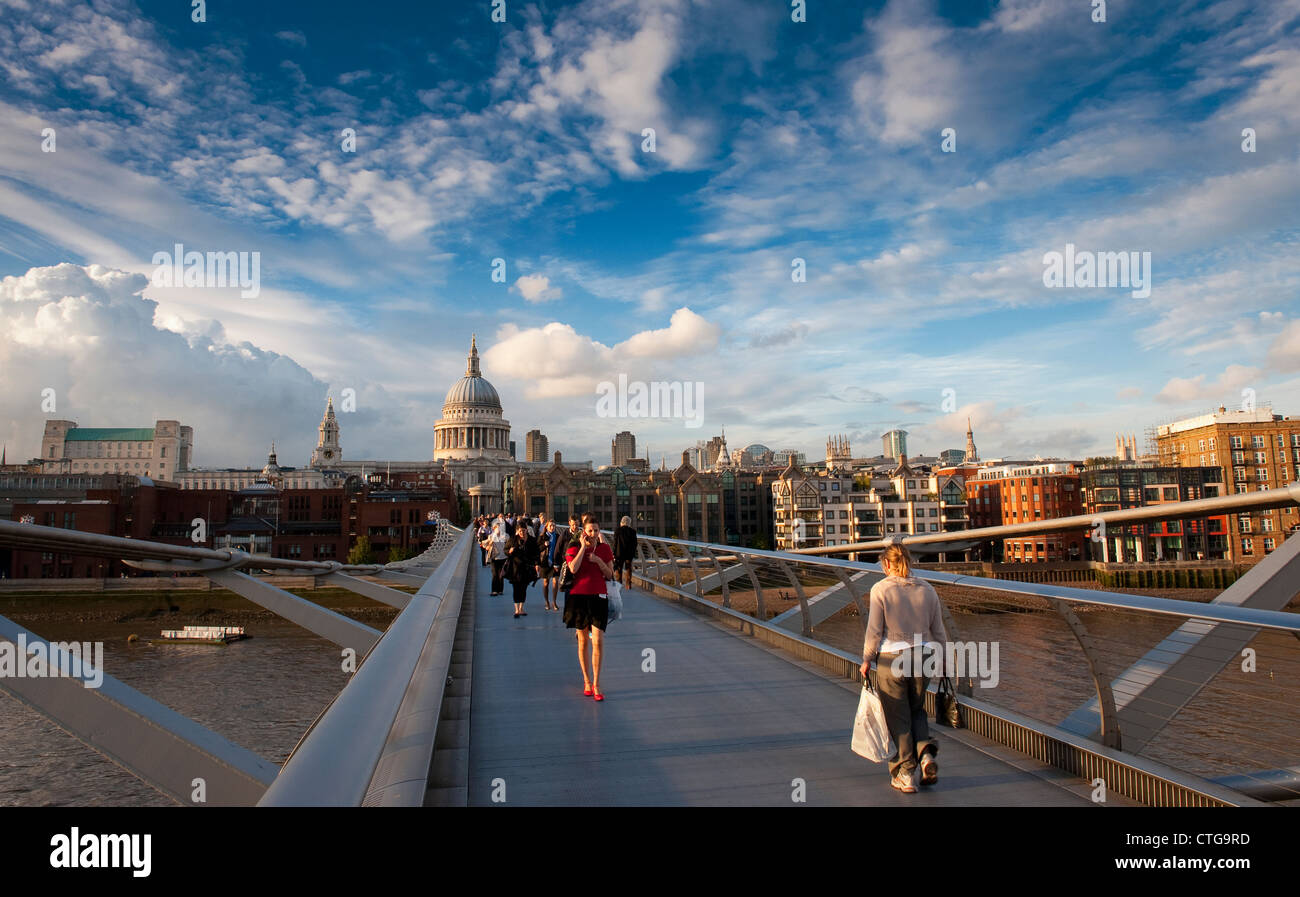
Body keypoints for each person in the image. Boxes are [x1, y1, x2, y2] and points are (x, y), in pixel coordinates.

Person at [859, 542, 948, 794]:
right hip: (924, 656)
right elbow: (938, 631)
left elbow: (875, 631)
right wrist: (943, 660)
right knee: (917, 710)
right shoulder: (928, 589)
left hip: (892, 658)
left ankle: (905, 772)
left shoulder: (881, 589)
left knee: (898, 717)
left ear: (887, 564)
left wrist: (867, 659)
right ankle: (926, 756)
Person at [564, 513, 614, 701]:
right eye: (590, 530)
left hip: (599, 597)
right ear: (583, 532)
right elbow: (573, 569)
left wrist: (598, 560)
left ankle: (597, 683)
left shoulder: (605, 549)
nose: (593, 534)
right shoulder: (574, 546)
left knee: (598, 641)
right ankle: (586, 680)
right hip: (578, 598)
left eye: (596, 530)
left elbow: (609, 574)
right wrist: (583, 549)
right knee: (583, 641)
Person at [504, 523, 539, 619]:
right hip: (515, 567)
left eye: (523, 531)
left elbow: (536, 553)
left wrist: (536, 564)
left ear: (526, 530)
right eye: (520, 531)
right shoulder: (513, 539)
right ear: (517, 531)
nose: (522, 533)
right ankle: (516, 609)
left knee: (524, 588)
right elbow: (505, 550)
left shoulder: (531, 540)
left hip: (527, 567)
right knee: (516, 588)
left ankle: (521, 608)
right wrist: (509, 551)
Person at [538, 520, 562, 611]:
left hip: (555, 563)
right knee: (546, 583)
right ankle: (547, 602)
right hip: (545, 562)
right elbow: (538, 549)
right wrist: (544, 545)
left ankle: (554, 602)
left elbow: (560, 550)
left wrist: (559, 562)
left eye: (554, 526)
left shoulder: (558, 536)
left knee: (555, 582)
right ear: (546, 527)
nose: (552, 527)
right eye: (550, 526)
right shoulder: (542, 537)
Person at [483, 518, 509, 596]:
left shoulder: (506, 536)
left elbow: (509, 545)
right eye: (497, 528)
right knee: (494, 574)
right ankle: (494, 590)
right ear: (494, 529)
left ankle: (500, 590)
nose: (499, 529)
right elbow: (486, 547)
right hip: (494, 558)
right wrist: (490, 543)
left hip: (503, 557)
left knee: (501, 574)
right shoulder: (491, 536)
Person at [613, 515, 637, 590]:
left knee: (619, 568)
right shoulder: (633, 531)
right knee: (628, 568)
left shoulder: (617, 530)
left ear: (621, 522)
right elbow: (635, 544)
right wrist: (633, 553)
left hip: (619, 553)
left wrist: (614, 553)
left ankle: (619, 583)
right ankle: (628, 584)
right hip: (629, 553)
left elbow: (615, 543)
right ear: (629, 523)